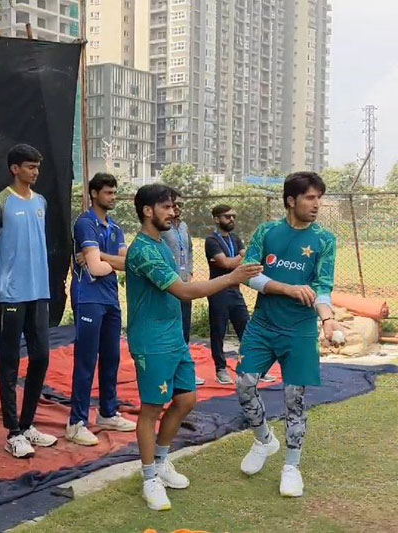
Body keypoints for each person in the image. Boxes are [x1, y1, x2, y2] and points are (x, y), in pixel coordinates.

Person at [125, 184, 262, 511]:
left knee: (186, 399)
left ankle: (160, 462)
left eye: (173, 207)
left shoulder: (161, 245)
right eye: (167, 207)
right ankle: (149, 479)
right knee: (151, 409)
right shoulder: (143, 249)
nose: (173, 212)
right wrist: (232, 277)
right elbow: (183, 291)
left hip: (174, 338)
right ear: (148, 211)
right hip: (152, 342)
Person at [235, 171, 342, 498]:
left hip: (299, 332)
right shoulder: (267, 232)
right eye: (310, 198)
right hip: (263, 326)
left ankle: (291, 466)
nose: (317, 205)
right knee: (244, 384)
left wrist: (327, 319)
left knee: (294, 399)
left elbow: (323, 287)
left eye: (319, 198)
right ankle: (264, 440)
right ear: (291, 200)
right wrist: (287, 288)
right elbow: (247, 274)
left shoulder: (325, 240)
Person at [0, 143, 58, 459]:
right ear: (15, 169)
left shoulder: (41, 202)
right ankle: (12, 432)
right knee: (9, 363)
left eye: (37, 166)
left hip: (38, 292)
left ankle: (27, 425)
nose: (35, 171)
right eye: (30, 166)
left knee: (41, 357)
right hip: (10, 294)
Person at [66, 173, 136, 446]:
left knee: (112, 358)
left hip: (110, 299)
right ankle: (76, 422)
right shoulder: (85, 224)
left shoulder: (115, 227)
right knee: (86, 361)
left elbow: (124, 261)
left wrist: (105, 258)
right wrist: (112, 261)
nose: (113, 197)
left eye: (115, 192)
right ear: (94, 194)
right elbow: (95, 269)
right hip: (88, 298)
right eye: (108, 192)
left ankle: (107, 412)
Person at [205, 205, 277, 385]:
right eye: (227, 217)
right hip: (217, 290)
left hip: (235, 291)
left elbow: (247, 259)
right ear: (216, 219)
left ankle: (253, 367)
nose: (231, 220)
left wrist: (239, 257)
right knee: (218, 331)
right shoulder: (211, 241)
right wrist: (240, 256)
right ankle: (221, 369)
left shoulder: (235, 238)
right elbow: (227, 263)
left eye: (233, 217)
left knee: (247, 330)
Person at [161, 193, 204, 386]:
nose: (177, 209)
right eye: (173, 205)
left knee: (184, 327)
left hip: (185, 282)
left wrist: (191, 272)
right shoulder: (162, 228)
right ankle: (167, 371)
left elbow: (189, 251)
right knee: (170, 327)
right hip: (169, 284)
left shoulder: (184, 227)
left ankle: (184, 371)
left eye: (180, 205)